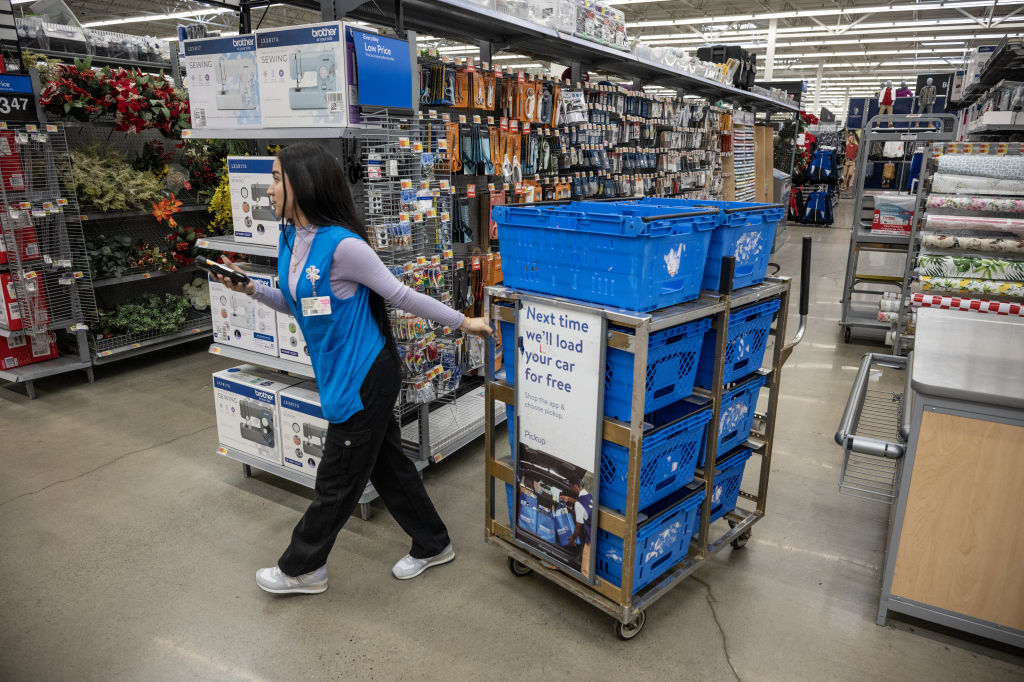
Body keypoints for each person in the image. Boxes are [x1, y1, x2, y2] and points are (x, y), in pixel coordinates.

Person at [213, 143, 492, 595]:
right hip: (338, 372)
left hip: (365, 375)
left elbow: (401, 296)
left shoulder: (344, 246)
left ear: (303, 184)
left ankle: (302, 568)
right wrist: (251, 290)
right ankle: (433, 543)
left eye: (278, 178)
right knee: (387, 465)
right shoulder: (289, 238)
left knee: (337, 480)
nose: (269, 187)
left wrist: (465, 322)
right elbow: (299, 303)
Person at [559, 482, 593, 578]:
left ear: (575, 486)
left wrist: (572, 540)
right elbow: (580, 503)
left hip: (590, 539)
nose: (571, 490)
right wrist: (569, 499)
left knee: (585, 571)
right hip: (595, 534)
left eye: (571, 487)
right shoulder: (590, 496)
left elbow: (578, 528)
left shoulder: (579, 504)